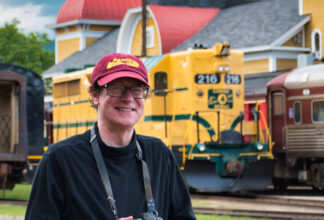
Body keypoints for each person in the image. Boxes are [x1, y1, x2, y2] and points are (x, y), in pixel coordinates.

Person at [25, 53, 196, 220]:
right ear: (94, 94)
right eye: (117, 88)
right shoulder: (60, 159)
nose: (128, 98)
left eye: (137, 89)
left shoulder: (159, 154)